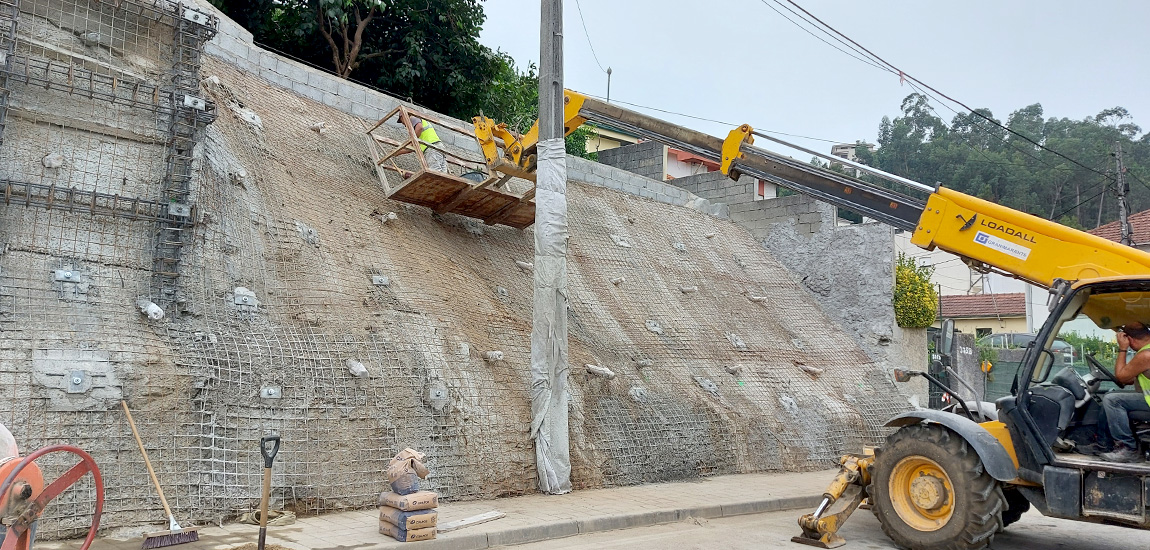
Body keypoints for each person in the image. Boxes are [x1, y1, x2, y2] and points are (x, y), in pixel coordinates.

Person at [1099, 322, 1150, 463]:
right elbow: (1129, 379)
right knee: (1111, 395)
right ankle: (1103, 443)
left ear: (1130, 339)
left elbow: (1121, 377)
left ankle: (1128, 449)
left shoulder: (1146, 355)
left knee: (1112, 400)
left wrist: (1122, 349)